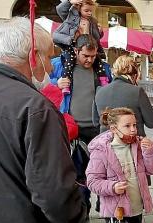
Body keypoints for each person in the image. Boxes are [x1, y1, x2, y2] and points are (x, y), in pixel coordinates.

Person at [0, 17, 86, 223]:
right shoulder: (36, 108)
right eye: (48, 58)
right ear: (34, 56)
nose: (51, 68)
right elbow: (56, 197)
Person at [55, 34, 109, 219]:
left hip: (98, 128)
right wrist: (56, 83)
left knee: (102, 171)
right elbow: (40, 84)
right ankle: (82, 212)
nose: (89, 60)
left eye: (93, 56)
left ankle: (104, 208)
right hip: (73, 130)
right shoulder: (62, 67)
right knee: (79, 175)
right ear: (76, 51)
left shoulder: (102, 69)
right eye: (85, 56)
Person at [86, 107, 153, 223]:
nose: (133, 130)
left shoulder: (139, 145)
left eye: (134, 125)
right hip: (116, 212)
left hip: (137, 208)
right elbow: (92, 181)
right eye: (127, 126)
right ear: (114, 129)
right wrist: (112, 187)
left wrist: (150, 152)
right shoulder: (101, 151)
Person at [93, 55, 153, 137]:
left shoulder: (99, 91)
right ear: (134, 75)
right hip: (132, 143)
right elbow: (152, 123)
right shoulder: (137, 91)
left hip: (107, 143)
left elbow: (95, 122)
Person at [53, 0, 106, 92]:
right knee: (69, 61)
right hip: (72, 44)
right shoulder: (71, 17)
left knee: (99, 61)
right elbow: (61, 9)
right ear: (79, 8)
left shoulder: (92, 21)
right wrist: (70, 2)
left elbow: (96, 37)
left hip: (88, 44)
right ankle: (66, 81)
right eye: (86, 11)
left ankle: (103, 80)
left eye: (91, 11)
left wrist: (100, 32)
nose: (89, 13)